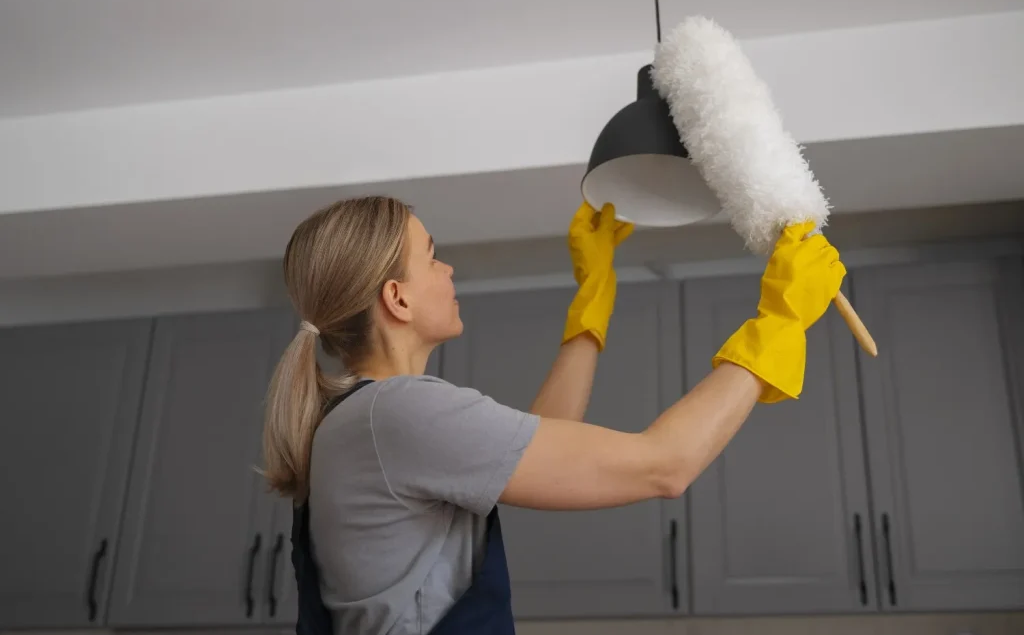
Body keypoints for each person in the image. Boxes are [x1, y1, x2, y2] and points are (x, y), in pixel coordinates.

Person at [260, 195, 845, 635]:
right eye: (432, 258)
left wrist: (594, 295)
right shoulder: (399, 414)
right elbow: (664, 466)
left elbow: (548, 436)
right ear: (398, 298)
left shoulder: (368, 419)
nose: (448, 271)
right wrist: (781, 320)